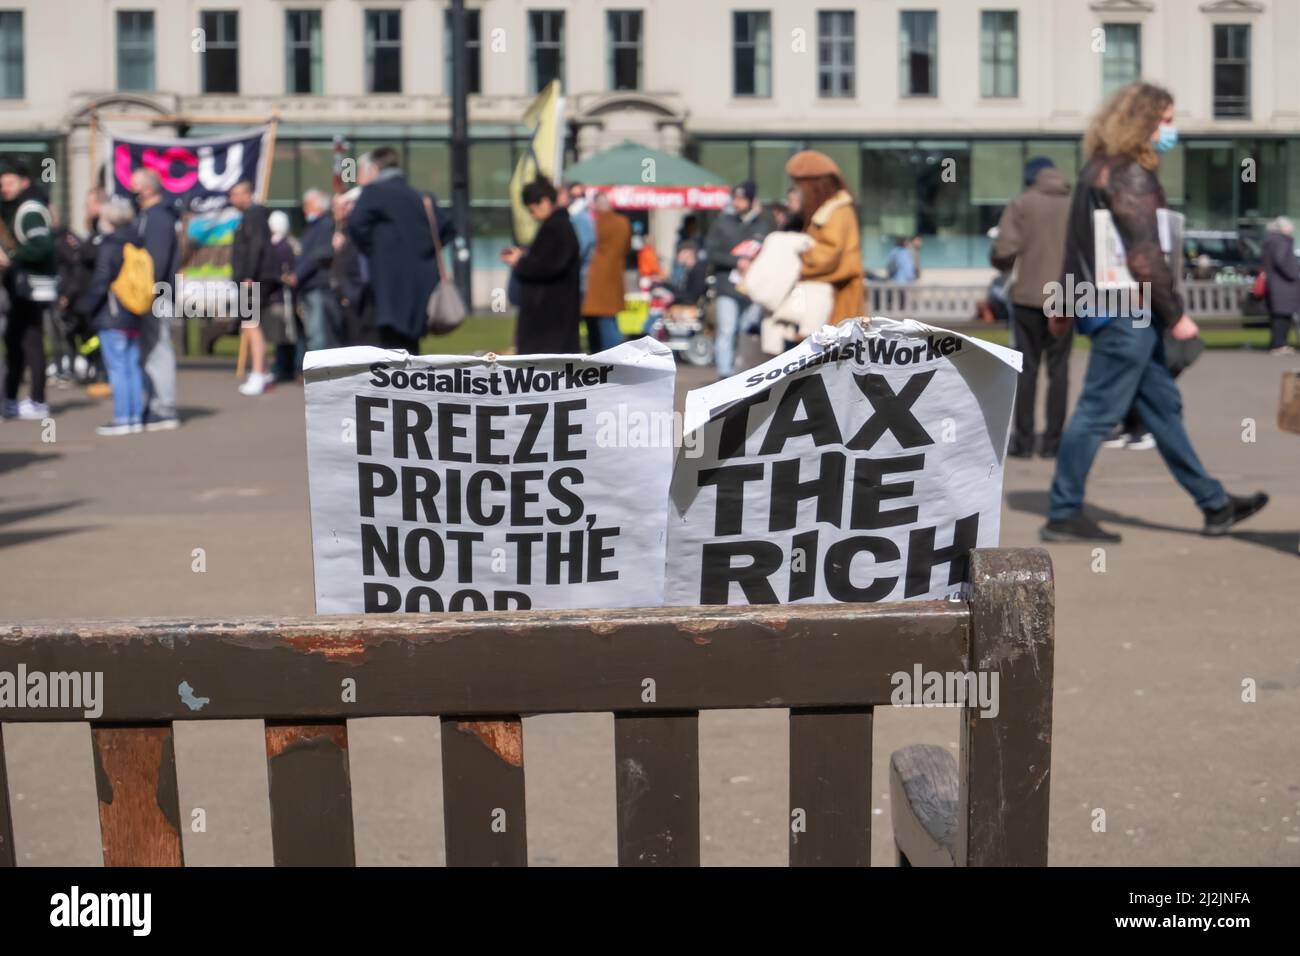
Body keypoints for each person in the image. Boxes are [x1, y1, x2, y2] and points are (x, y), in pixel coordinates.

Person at [1041, 82, 1268, 542]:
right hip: (1129, 313)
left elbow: (1075, 248)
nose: (1171, 129)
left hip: (1108, 309)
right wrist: (1176, 314)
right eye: (1165, 120)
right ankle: (1063, 513)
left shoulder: (1095, 172)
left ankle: (1215, 504)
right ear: (1141, 123)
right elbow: (1146, 256)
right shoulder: (1128, 174)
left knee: (1162, 409)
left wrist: (1064, 304)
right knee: (1096, 412)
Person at [991, 156, 1074, 459]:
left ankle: (1024, 442)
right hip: (1068, 296)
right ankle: (1053, 442)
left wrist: (998, 256)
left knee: (1027, 371)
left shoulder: (1022, 204)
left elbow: (1005, 251)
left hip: (1028, 296)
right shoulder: (1076, 204)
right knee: (1060, 370)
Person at [347, 146, 455, 354]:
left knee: (388, 343)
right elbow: (447, 229)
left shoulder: (374, 192)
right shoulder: (422, 196)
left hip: (389, 280)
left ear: (374, 169)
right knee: (411, 342)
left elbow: (356, 225)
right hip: (422, 279)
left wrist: (376, 250)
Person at [77, 198, 147, 436]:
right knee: (132, 366)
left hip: (112, 312)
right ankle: (135, 416)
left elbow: (101, 280)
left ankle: (123, 417)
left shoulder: (110, 245)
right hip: (133, 311)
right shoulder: (136, 242)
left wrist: (86, 306)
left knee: (117, 368)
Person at [0, 159, 57, 419]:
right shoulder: (19, 207)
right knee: (16, 342)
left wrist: (12, 256)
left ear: (24, 182)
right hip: (25, 287)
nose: (4, 188)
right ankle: (12, 398)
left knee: (30, 343)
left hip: (34, 288)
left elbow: (42, 245)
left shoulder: (30, 209)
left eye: (9, 183)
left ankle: (37, 400)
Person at [500, 178, 581, 354]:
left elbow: (549, 266)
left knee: (546, 370)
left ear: (544, 202)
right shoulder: (557, 226)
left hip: (550, 317)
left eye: (532, 209)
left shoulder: (556, 227)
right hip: (553, 315)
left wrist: (520, 262)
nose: (532, 215)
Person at [786, 149, 865, 326]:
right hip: (827, 296)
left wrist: (797, 261)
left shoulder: (836, 211)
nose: (799, 193)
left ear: (815, 185)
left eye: (800, 187)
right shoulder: (829, 210)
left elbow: (828, 254)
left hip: (838, 298)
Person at [705, 180, 774, 377]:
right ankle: (724, 374)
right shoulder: (722, 223)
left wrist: (754, 263)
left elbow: (771, 253)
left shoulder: (764, 223)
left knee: (746, 330)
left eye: (742, 199)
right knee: (727, 328)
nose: (737, 202)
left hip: (753, 288)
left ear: (752, 200)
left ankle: (742, 372)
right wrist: (736, 261)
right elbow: (711, 253)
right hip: (727, 284)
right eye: (735, 198)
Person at [129, 167, 181, 429]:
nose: (131, 190)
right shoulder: (147, 215)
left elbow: (156, 260)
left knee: (159, 349)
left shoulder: (158, 218)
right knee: (149, 350)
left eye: (135, 185)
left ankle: (165, 408)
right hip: (150, 293)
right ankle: (155, 403)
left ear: (148, 189)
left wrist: (146, 291)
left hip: (156, 293)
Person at [229, 180, 276, 395]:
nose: (233, 199)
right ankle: (264, 371)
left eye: (237, 194)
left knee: (251, 325)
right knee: (251, 324)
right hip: (251, 277)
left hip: (253, 278)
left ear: (248, 194)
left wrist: (249, 274)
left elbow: (256, 245)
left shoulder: (254, 215)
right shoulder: (249, 216)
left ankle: (258, 373)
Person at [289, 188, 338, 354]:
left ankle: (319, 373)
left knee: (318, 332)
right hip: (308, 285)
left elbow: (318, 255)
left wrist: (298, 274)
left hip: (317, 284)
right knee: (311, 331)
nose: (305, 209)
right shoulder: (312, 227)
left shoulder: (324, 225)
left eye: (308, 205)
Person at [581, 192, 630, 353]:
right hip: (614, 279)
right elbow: (626, 248)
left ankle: (602, 362)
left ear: (596, 206)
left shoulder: (593, 224)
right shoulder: (623, 223)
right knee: (610, 323)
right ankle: (615, 359)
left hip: (593, 281)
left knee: (597, 328)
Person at [1261, 216, 1299, 355]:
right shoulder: (1281, 241)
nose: (1292, 228)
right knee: (1283, 316)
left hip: (1275, 283)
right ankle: (1279, 345)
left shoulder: (1270, 240)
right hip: (1283, 284)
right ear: (1283, 228)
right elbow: (1281, 260)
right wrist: (1294, 273)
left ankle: (1277, 344)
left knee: (1278, 316)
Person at [267, 210, 297, 382]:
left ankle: (285, 368)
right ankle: (282, 366)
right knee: (280, 335)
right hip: (277, 296)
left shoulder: (283, 246)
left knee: (285, 335)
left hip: (282, 297)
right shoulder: (278, 244)